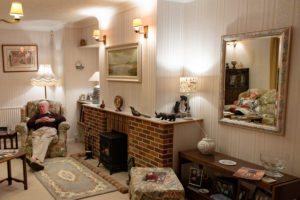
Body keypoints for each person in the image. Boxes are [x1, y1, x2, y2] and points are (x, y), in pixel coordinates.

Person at [26, 100, 66, 171]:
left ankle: (34, 158)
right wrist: (39, 120)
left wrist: (52, 120)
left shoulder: (53, 114)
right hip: (38, 131)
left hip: (49, 130)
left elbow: (63, 119)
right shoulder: (37, 116)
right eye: (40, 107)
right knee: (35, 139)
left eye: (43, 106)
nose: (41, 108)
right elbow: (29, 123)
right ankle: (37, 162)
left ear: (48, 107)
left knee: (44, 138)